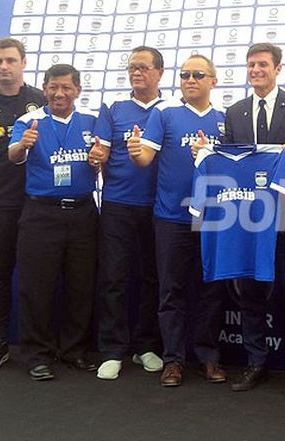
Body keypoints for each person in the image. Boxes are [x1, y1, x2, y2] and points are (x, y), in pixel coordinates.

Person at [193, 43, 285, 397]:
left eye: (262, 64)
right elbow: (230, 162)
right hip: (245, 214)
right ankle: (256, 361)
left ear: (278, 69)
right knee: (249, 292)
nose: (256, 70)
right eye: (251, 65)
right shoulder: (234, 113)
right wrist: (205, 152)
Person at [127, 54, 226, 387]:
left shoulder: (225, 120)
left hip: (213, 219)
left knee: (211, 290)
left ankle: (208, 357)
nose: (190, 79)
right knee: (171, 291)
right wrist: (134, 150)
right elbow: (145, 158)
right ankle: (173, 360)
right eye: (185, 74)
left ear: (213, 80)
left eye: (198, 74)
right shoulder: (165, 113)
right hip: (171, 217)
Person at [7, 64, 98, 380]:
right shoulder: (27, 122)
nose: (60, 93)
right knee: (37, 287)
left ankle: (75, 350)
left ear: (78, 91)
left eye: (66, 88)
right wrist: (24, 145)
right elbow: (13, 156)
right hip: (41, 214)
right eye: (53, 87)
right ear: (44, 89)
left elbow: (104, 157)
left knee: (81, 285)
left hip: (84, 213)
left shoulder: (91, 122)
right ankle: (37, 355)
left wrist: (100, 158)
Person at [90, 46, 165, 380]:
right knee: (114, 277)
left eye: (143, 67)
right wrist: (95, 156)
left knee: (152, 277)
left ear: (159, 72)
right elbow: (101, 152)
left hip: (159, 207)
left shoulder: (171, 109)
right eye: (132, 67)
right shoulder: (113, 107)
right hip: (118, 204)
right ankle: (113, 350)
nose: (136, 73)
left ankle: (146, 345)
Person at [0, 37, 44, 369]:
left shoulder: (41, 100)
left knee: (38, 275)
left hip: (37, 201)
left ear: (23, 62)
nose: (4, 67)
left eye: (10, 60)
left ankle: (38, 343)